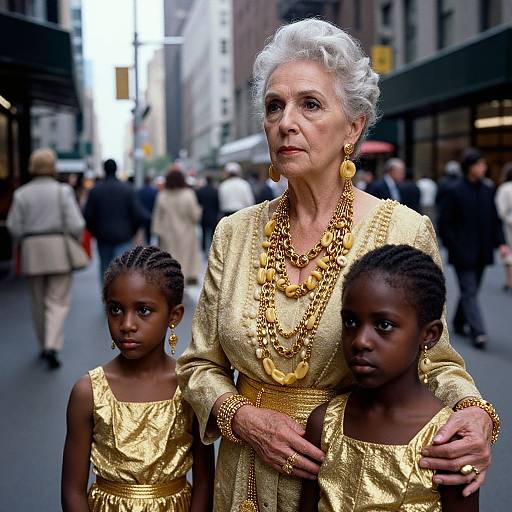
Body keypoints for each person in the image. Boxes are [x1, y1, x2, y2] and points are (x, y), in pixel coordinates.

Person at [177, 19, 498, 512]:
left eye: (310, 104)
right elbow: (199, 366)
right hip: (242, 483)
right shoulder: (233, 233)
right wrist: (239, 415)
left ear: (353, 126)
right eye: (274, 106)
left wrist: (474, 413)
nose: (286, 121)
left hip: (346, 480)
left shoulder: (403, 230)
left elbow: (435, 360)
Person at [300, 245, 479, 512]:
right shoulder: (324, 424)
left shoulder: (446, 442)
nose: (360, 341)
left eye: (383, 325)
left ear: (428, 335)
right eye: (350, 322)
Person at [61, 246, 214, 511]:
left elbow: (204, 481)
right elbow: (73, 492)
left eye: (143, 311)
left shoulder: (190, 387)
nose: (126, 324)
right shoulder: (88, 392)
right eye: (116, 310)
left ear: (174, 316)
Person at [6, 148, 85, 369]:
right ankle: (52, 345)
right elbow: (77, 224)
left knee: (37, 301)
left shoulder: (21, 193)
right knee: (57, 301)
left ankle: (43, 345)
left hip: (31, 251)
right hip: (58, 249)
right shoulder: (63, 191)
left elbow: (13, 226)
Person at [438, 148, 508, 349]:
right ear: (469, 167)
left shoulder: (487, 190)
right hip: (462, 252)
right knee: (469, 290)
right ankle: (479, 332)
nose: (484, 168)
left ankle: (459, 322)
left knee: (472, 289)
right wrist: (453, 246)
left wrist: (501, 243)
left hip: (482, 251)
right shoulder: (455, 190)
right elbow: (445, 223)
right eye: (480, 164)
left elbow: (495, 220)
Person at [84, 159, 147, 279]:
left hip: (103, 237)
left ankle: (107, 295)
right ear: (116, 169)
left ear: (104, 170)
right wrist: (132, 231)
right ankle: (121, 295)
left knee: (105, 269)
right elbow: (138, 214)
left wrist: (96, 232)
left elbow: (88, 216)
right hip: (124, 236)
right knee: (122, 270)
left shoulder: (96, 191)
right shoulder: (127, 189)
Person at [152, 168, 202, 285]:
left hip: (167, 234)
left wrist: (157, 232)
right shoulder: (189, 195)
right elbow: (195, 216)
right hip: (187, 234)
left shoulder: (162, 195)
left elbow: (157, 217)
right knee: (185, 261)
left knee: (170, 261)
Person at [495, 162, 512, 291]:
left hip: (509, 225)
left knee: (509, 255)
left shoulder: (505, 188)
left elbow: (500, 210)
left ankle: (510, 281)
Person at [196, 174, 220, 252]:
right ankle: (212, 248)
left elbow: (198, 203)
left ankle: (203, 248)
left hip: (204, 215)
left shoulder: (201, 191)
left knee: (204, 233)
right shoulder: (215, 191)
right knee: (213, 233)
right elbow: (218, 203)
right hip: (213, 215)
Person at [137, 175, 158, 244]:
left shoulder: (139, 191)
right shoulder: (154, 191)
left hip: (141, 215)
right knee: (149, 234)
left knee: (142, 234)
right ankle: (148, 245)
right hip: (151, 215)